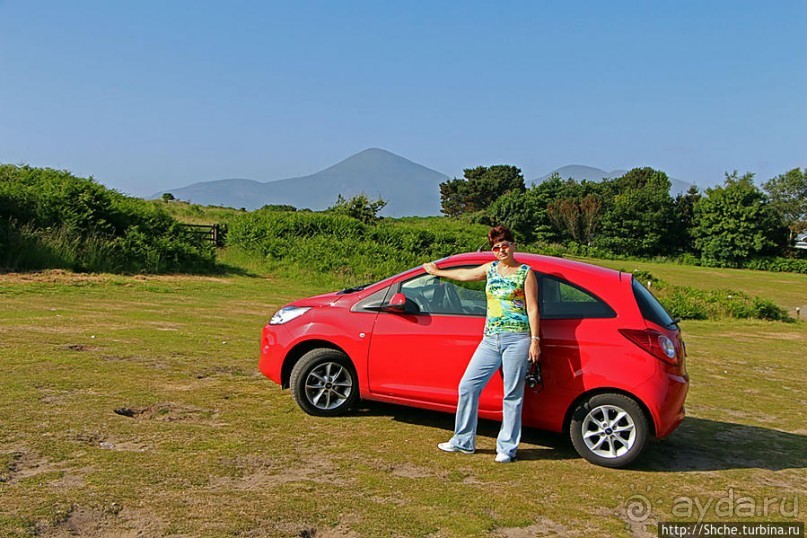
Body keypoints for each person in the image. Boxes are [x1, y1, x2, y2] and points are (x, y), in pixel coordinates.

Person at [423, 225, 540, 463]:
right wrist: (438, 272)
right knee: (468, 386)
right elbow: (464, 275)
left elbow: (533, 308)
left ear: (513, 246)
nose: (501, 250)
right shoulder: (490, 269)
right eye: (496, 247)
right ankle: (463, 441)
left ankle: (507, 449)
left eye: (505, 245)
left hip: (517, 339)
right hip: (490, 339)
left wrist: (535, 341)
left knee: (512, 395)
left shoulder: (525, 273)